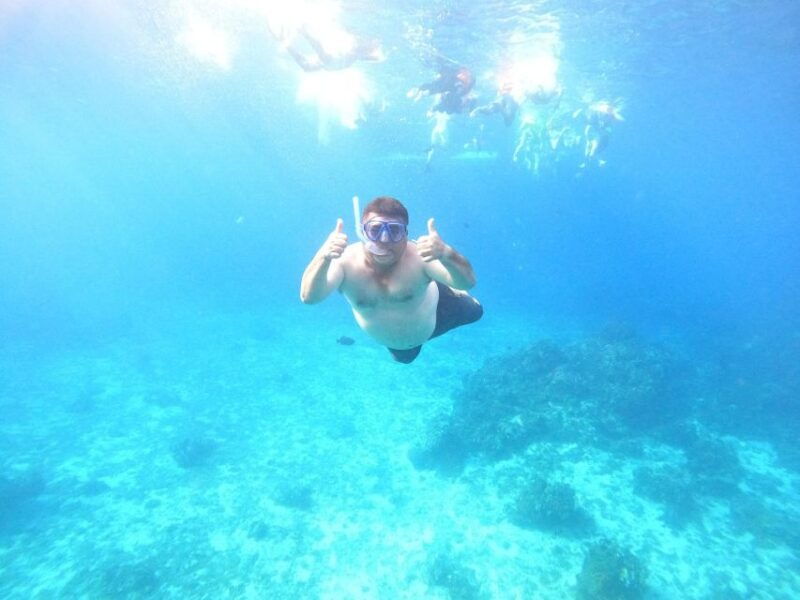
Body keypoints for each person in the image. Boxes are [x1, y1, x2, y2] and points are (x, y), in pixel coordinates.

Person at [300, 196, 483, 363]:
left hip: (438, 313)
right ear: (362, 232)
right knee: (404, 358)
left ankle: (448, 290)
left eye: (394, 230)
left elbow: (468, 282)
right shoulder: (344, 262)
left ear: (405, 234)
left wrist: (445, 253)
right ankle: (438, 282)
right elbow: (309, 297)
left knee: (477, 311)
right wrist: (323, 255)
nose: (385, 239)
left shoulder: (420, 257)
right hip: (399, 345)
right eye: (375, 230)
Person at [275, 23, 384, 72]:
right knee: (312, 63)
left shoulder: (326, 61)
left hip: (336, 62)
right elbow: (318, 48)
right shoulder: (329, 60)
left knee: (311, 64)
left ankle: (301, 32)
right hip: (336, 61)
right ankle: (302, 32)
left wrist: (288, 43)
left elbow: (318, 49)